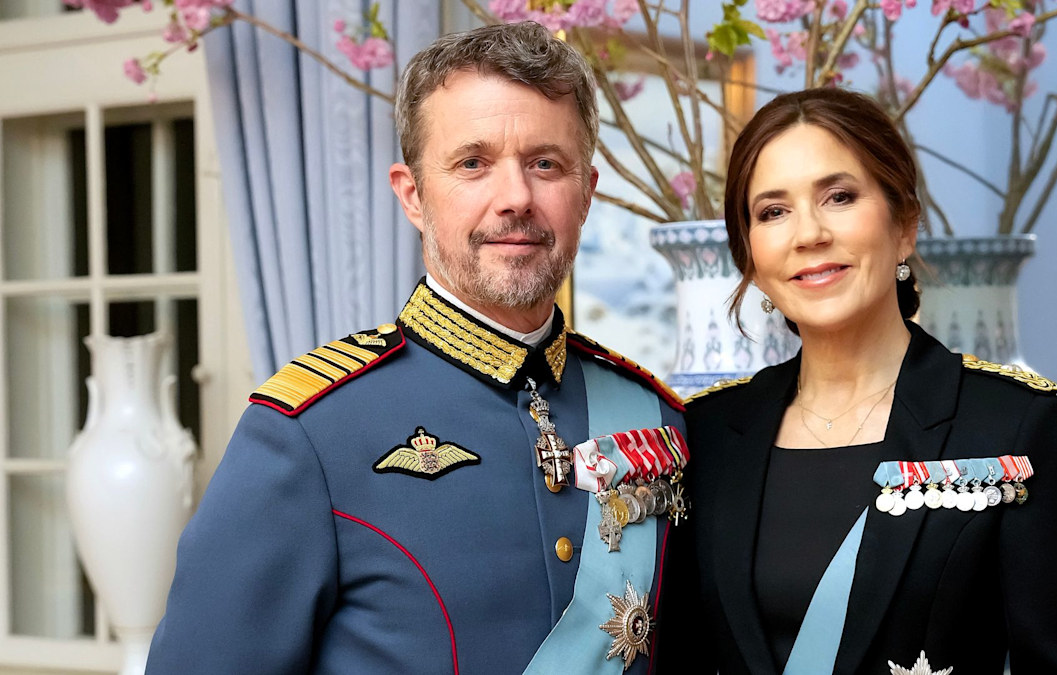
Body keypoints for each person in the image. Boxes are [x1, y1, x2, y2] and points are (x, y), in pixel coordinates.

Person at [147, 22, 687, 675]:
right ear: (412, 194)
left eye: (546, 163)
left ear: (587, 192)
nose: (515, 197)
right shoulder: (313, 432)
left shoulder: (654, 418)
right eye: (473, 163)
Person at [656, 88, 1057, 674]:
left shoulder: (1009, 425)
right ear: (750, 256)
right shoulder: (707, 434)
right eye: (773, 211)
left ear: (904, 225)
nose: (809, 234)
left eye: (839, 197)